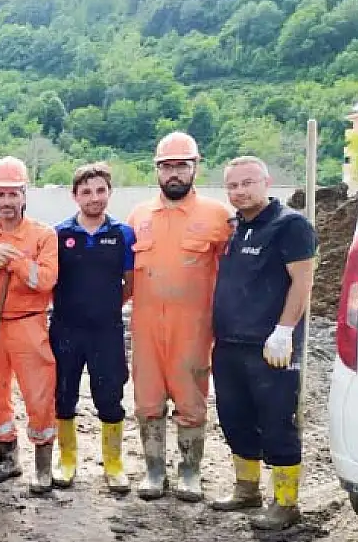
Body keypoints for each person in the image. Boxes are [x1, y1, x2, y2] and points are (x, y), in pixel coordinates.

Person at [209, 156, 316, 530]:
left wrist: (285, 330)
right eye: (233, 186)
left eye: (247, 183)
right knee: (235, 418)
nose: (239, 191)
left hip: (270, 346)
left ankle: (286, 503)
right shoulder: (234, 228)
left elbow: (302, 283)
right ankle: (246, 489)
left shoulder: (291, 226)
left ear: (266, 182)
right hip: (228, 343)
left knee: (276, 422)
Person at [126, 132, 232, 502]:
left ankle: (190, 472)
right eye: (167, 166)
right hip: (146, 327)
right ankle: (154, 471)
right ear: (156, 170)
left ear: (195, 168)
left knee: (191, 400)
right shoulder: (139, 217)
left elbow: (234, 275)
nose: (174, 174)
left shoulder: (218, 217)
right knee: (148, 401)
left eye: (181, 166)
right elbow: (125, 276)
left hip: (194, 328)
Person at [0, 157, 59, 493]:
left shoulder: (44, 235)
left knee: (39, 394)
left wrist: (15, 260)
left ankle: (43, 466)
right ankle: (9, 458)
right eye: (0, 194)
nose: (6, 202)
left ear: (23, 194)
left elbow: (45, 280)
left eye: (12, 194)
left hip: (28, 325)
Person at [49, 163, 134, 494]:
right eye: (86, 191)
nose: (94, 197)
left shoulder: (123, 234)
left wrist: (106, 307)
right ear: (75, 196)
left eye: (100, 190)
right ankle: (66, 460)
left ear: (110, 193)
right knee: (63, 394)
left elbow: (131, 283)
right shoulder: (59, 234)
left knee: (110, 396)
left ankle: (113, 464)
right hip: (66, 329)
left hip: (107, 331)